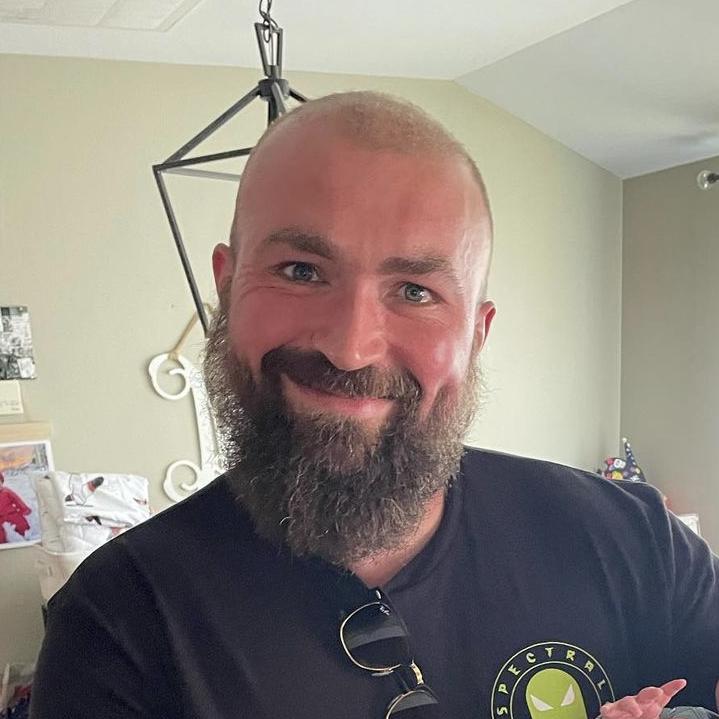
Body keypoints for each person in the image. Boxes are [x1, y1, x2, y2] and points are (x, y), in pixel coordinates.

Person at [31, 92, 719, 719]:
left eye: (415, 291)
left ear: (475, 335)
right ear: (228, 285)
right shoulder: (117, 625)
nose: (351, 348)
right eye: (301, 271)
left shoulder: (640, 547)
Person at [0, 469, 32, 543]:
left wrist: (24, 508)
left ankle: (25, 535)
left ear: (1, 482)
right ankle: (2, 543)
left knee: (20, 523)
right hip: (0, 517)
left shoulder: (6, 491)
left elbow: (17, 500)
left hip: (11, 513)